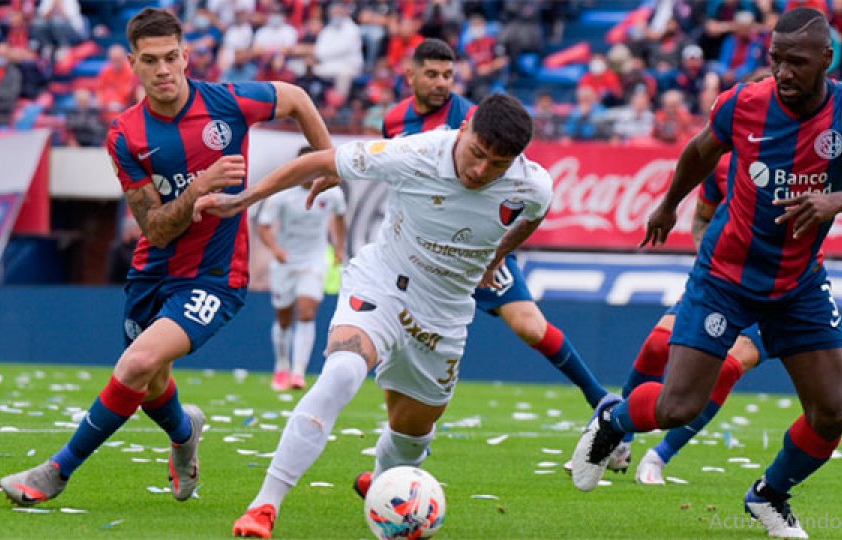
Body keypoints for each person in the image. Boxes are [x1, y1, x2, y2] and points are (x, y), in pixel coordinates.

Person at [570, 8, 842, 539]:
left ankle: (769, 495)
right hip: (725, 277)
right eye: (776, 59)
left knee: (834, 413)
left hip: (798, 283)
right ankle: (612, 421)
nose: (783, 72)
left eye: (796, 62)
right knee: (678, 405)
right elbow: (699, 152)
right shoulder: (744, 103)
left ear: (826, 60)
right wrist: (667, 205)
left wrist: (836, 201)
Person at [0, 7, 332, 507]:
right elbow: (154, 226)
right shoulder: (125, 135)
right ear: (132, 63)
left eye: (172, 58)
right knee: (152, 382)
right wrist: (198, 188)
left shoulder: (229, 102)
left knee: (135, 364)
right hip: (152, 272)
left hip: (215, 277)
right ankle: (184, 433)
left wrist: (327, 160)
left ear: (186, 56)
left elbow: (299, 98)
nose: (164, 70)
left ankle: (56, 471)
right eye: (151, 60)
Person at [194, 94, 551, 539]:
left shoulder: (532, 185)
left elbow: (532, 216)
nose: (481, 171)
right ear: (464, 130)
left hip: (443, 314)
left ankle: (384, 481)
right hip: (383, 282)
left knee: (411, 433)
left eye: (497, 164)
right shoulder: (414, 152)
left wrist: (498, 257)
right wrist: (240, 201)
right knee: (342, 371)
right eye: (477, 154)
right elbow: (316, 161)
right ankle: (264, 505)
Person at [383, 38, 612, 435]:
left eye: (448, 75)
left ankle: (601, 399)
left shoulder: (473, 118)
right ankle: (403, 445)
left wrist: (495, 251)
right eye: (432, 74)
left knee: (528, 325)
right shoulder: (393, 120)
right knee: (404, 346)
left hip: (475, 243)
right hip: (421, 250)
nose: (441, 83)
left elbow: (516, 181)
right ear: (410, 75)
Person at [624, 159, 842, 485]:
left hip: (786, 291)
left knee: (731, 365)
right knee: (658, 343)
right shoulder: (723, 160)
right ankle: (618, 436)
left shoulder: (805, 161)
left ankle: (659, 456)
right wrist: (715, 269)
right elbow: (703, 216)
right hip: (725, 285)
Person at [256, 145, 347, 392]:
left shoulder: (333, 194)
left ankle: (298, 372)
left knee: (307, 313)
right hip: (286, 261)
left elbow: (339, 218)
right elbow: (263, 226)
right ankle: (282, 365)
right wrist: (276, 250)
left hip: (314, 259)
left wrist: (339, 248)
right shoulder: (281, 195)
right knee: (284, 318)